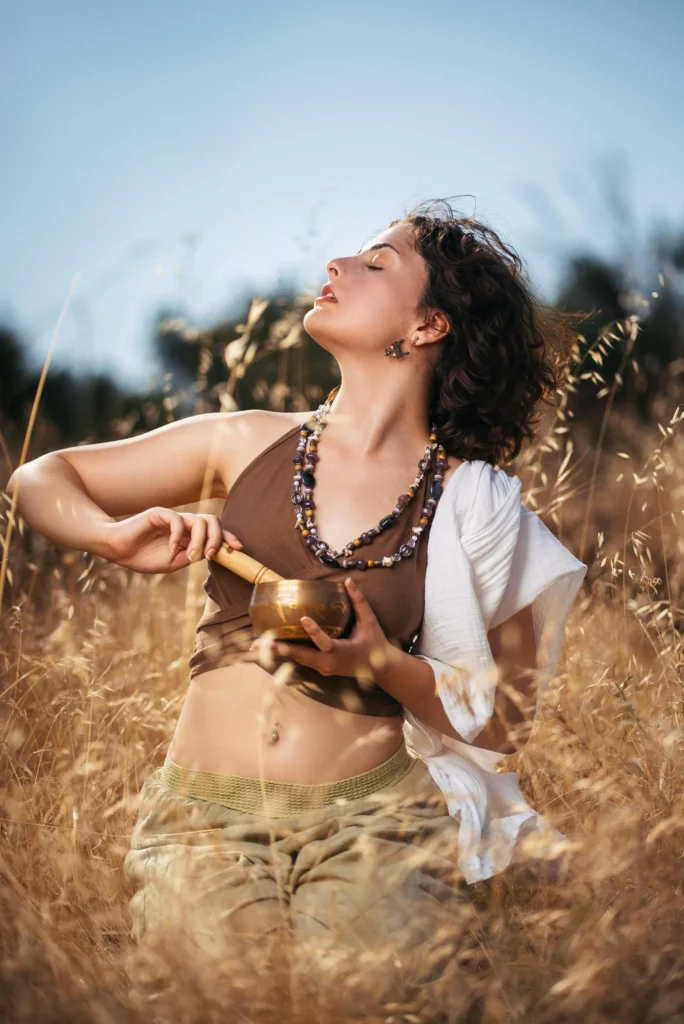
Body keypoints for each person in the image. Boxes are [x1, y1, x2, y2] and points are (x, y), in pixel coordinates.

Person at [7, 198, 587, 1021]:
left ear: (428, 326)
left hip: (377, 828)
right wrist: (109, 536)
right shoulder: (244, 441)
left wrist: (383, 666)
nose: (336, 266)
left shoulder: (474, 503)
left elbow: (501, 726)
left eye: (374, 262)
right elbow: (40, 478)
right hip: (202, 821)